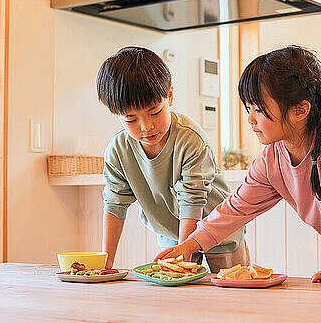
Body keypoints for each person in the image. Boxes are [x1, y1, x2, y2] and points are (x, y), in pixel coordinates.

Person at [155, 45, 321, 285]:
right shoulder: (272, 158)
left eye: (258, 109)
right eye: (248, 109)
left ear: (300, 110)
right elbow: (237, 208)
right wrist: (192, 243)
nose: (250, 120)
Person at [97, 46, 249, 272]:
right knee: (176, 298)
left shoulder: (190, 139)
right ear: (115, 113)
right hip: (170, 231)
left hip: (219, 232)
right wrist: (106, 263)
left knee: (232, 290)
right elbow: (114, 205)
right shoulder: (119, 150)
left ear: (169, 95)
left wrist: (184, 257)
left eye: (154, 112)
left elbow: (192, 201)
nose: (146, 127)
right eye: (130, 119)